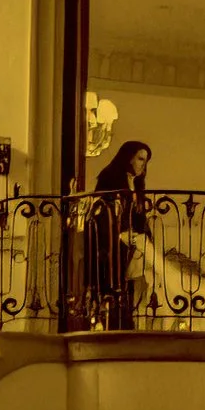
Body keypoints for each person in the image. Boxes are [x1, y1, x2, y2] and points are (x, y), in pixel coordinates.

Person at [87, 137, 154, 329]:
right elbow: (101, 212)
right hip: (110, 243)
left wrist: (140, 233)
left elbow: (138, 215)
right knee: (113, 280)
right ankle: (111, 320)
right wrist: (119, 234)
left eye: (146, 160)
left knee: (138, 274)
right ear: (129, 158)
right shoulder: (110, 176)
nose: (143, 164)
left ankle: (130, 318)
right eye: (140, 159)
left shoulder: (138, 183)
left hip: (131, 241)